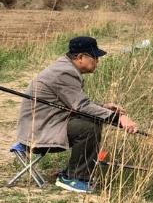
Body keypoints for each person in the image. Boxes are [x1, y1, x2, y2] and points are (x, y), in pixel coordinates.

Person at [16, 36, 138, 193]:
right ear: (80, 57)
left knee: (91, 120)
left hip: (45, 124)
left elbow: (75, 104)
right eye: (95, 57)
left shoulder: (65, 67)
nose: (97, 62)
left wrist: (104, 108)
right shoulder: (65, 72)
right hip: (36, 133)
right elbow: (81, 106)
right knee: (88, 128)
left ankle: (72, 173)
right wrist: (119, 118)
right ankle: (73, 178)